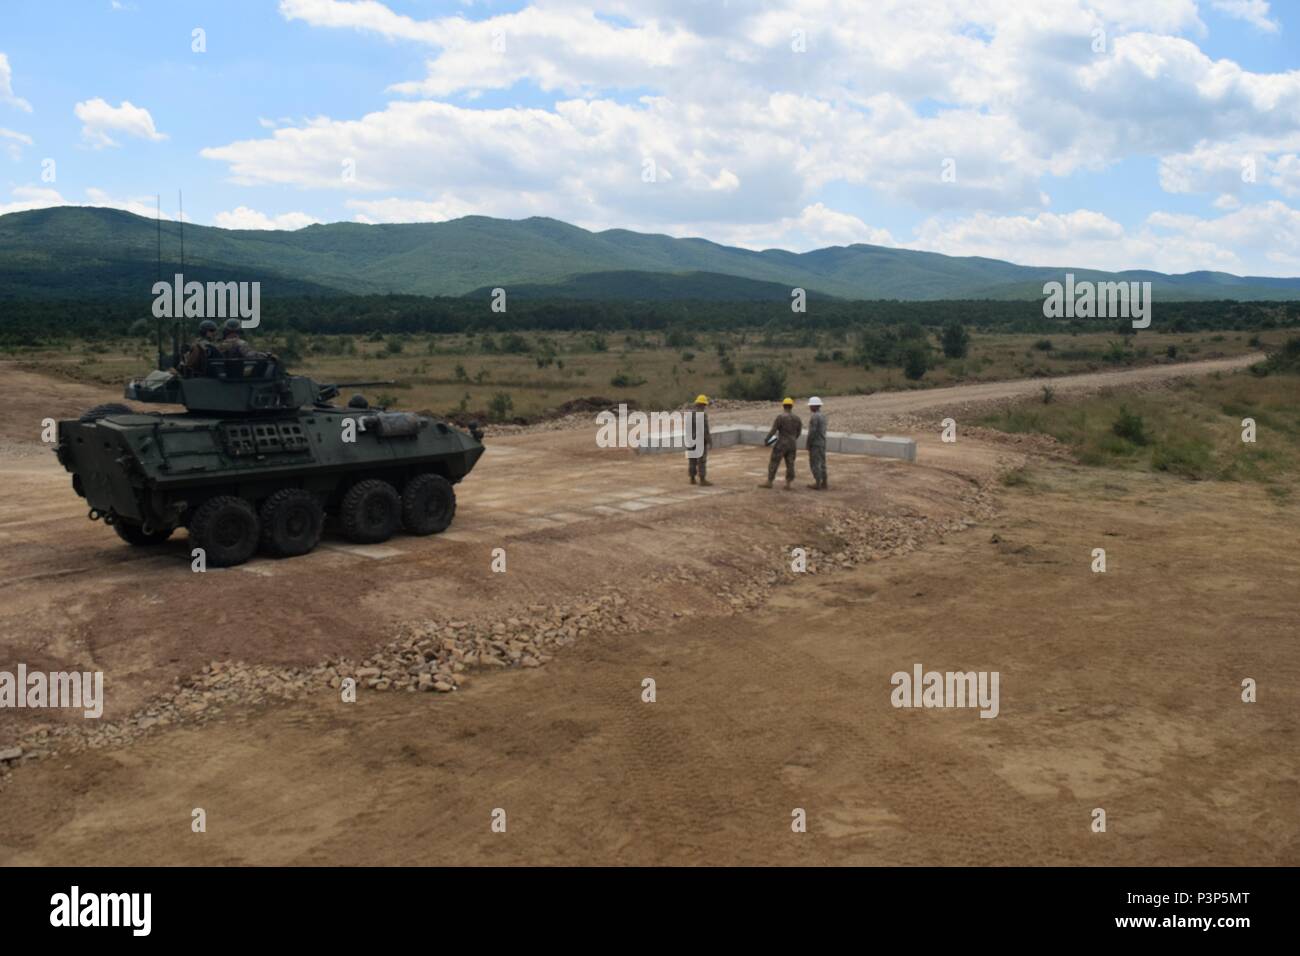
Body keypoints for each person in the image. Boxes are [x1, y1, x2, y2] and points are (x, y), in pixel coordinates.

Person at [758, 397, 801, 490]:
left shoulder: (780, 417)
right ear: (792, 406)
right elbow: (799, 432)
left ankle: (769, 481)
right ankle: (788, 483)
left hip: (781, 443)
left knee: (774, 462)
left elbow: (773, 430)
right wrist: (793, 438)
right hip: (792, 444)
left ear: (783, 406)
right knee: (790, 463)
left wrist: (767, 440)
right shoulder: (797, 418)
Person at [687, 394, 712, 486]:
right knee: (701, 460)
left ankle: (692, 479)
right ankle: (702, 480)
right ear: (702, 404)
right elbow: (705, 429)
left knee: (692, 459)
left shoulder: (690, 414)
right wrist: (709, 441)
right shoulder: (702, 414)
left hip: (690, 440)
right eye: (704, 405)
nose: (705, 407)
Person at [806, 396, 828, 490]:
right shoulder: (823, 416)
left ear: (815, 406)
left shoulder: (814, 417)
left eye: (811, 406)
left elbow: (812, 432)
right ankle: (824, 482)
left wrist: (808, 443)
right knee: (822, 462)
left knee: (815, 463)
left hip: (815, 443)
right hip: (822, 442)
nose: (810, 407)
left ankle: (817, 483)